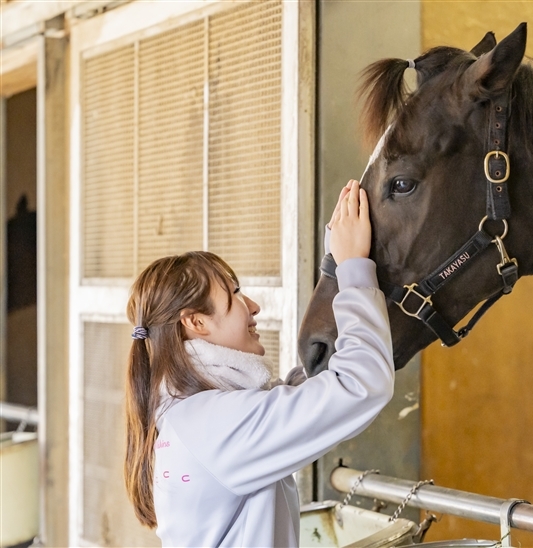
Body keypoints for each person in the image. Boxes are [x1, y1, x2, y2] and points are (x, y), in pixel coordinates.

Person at [124, 180, 394, 547]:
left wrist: (338, 270)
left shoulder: (189, 415)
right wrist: (355, 269)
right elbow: (361, 385)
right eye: (234, 295)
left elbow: (290, 397)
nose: (253, 306)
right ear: (197, 322)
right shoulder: (213, 424)